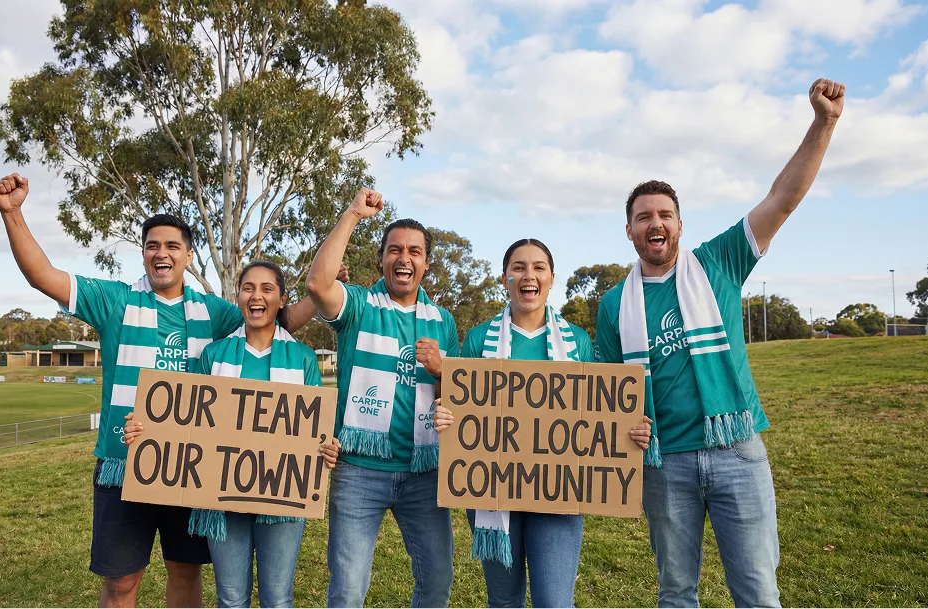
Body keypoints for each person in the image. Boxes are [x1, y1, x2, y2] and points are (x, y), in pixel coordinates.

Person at [0, 174, 323, 608]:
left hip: (192, 464)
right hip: (123, 462)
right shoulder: (116, 300)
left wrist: (321, 291)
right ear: (144, 253)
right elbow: (42, 276)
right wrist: (12, 213)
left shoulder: (215, 311)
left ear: (187, 254)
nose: (161, 253)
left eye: (171, 246)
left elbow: (275, 321)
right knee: (123, 582)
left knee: (185, 575)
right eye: (152, 245)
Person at [594, 78, 845, 608]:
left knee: (756, 590)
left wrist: (823, 124)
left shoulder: (718, 263)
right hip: (663, 465)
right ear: (630, 231)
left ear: (679, 224)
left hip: (736, 452)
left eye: (664, 214)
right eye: (644, 217)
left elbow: (783, 198)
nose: (655, 223)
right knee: (676, 592)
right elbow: (606, 392)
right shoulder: (614, 304)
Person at [433, 238, 651, 608]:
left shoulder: (578, 343)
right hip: (492, 489)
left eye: (538, 268)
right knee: (503, 601)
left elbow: (599, 416)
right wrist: (446, 417)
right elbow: (461, 411)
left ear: (551, 278)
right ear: (505, 278)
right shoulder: (478, 340)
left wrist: (630, 431)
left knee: (554, 601)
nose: (528, 275)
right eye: (518, 267)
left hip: (559, 492)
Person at [123, 260, 341, 608]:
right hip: (221, 497)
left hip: (281, 498)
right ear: (237, 296)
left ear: (283, 299)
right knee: (232, 597)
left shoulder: (302, 359)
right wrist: (144, 430)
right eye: (248, 288)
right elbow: (187, 421)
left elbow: (317, 430)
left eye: (267, 289)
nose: (257, 296)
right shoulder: (214, 355)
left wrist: (327, 446)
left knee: (277, 598)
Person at [304, 188, 460, 607]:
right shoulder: (358, 305)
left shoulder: (443, 321)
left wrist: (445, 371)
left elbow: (455, 401)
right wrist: (353, 213)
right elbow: (318, 284)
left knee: (437, 581)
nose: (403, 258)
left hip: (423, 473)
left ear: (426, 263)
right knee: (348, 589)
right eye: (394, 250)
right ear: (382, 259)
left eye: (414, 251)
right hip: (359, 471)